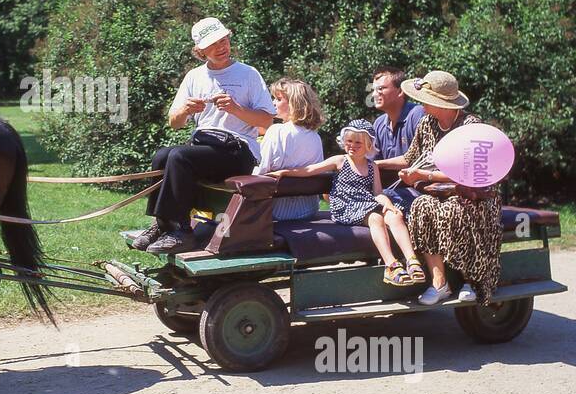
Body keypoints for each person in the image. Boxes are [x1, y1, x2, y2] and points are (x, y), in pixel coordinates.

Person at [135, 18, 276, 254]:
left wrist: (236, 109)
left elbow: (267, 121)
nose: (221, 47)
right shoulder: (194, 77)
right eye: (212, 44)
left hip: (238, 150)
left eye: (224, 40)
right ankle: (162, 224)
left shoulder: (248, 74)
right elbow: (175, 123)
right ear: (200, 51)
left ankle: (181, 232)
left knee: (180, 156)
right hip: (206, 146)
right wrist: (185, 110)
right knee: (162, 156)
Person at [390, 71, 503, 307]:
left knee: (454, 210)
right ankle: (439, 282)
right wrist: (371, 163)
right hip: (438, 191)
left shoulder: (471, 126)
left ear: (440, 103)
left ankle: (471, 280)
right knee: (421, 206)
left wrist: (424, 175)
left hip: (473, 195)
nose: (420, 103)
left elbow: (470, 171)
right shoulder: (426, 123)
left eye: (425, 99)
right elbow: (410, 158)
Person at [281, 119, 424, 287]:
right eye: (349, 141)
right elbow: (310, 170)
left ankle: (412, 260)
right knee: (375, 219)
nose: (352, 145)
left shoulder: (372, 167)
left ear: (368, 145)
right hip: (346, 205)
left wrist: (389, 205)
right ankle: (391, 265)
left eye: (358, 142)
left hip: (366, 203)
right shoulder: (340, 161)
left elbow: (378, 193)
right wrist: (284, 172)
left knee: (395, 216)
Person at [256, 78, 326, 220]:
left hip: (277, 212)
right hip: (309, 209)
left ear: (294, 103)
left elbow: (262, 171)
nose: (273, 103)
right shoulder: (315, 137)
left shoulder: (277, 131)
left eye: (278, 99)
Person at [371, 67, 425, 217]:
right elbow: (373, 161)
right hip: (392, 191)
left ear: (400, 91)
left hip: (420, 192)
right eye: (374, 90)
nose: (375, 94)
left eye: (381, 89)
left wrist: (376, 164)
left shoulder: (418, 115)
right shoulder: (379, 123)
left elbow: (417, 159)